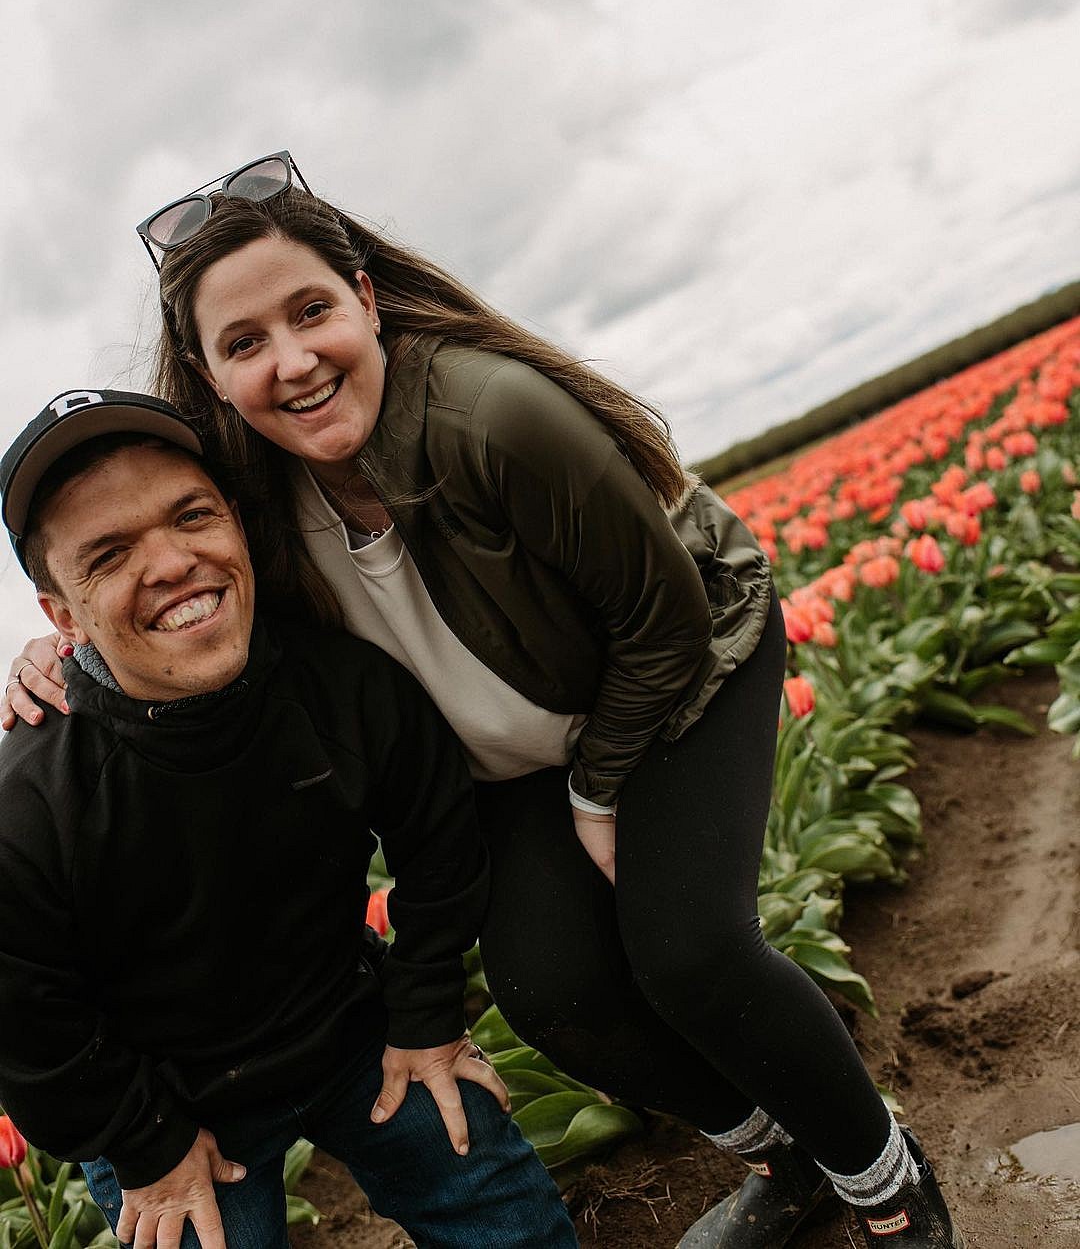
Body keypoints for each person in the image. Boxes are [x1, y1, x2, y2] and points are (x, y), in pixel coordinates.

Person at [5, 152, 963, 1247]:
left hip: (670, 676)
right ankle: (781, 1153)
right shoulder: (249, 501)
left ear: (366, 298)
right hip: (507, 744)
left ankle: (883, 1180)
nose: (293, 361)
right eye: (244, 343)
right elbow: (165, 592)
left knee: (687, 950)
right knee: (546, 987)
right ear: (212, 376)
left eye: (311, 310)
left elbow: (665, 618)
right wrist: (65, 657)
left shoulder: (492, 412)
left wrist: (603, 788)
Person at [0, 388, 578, 1249]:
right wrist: (143, 1145)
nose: (170, 563)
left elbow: (438, 844)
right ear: (62, 614)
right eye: (111, 554)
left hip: (346, 1024)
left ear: (236, 523)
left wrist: (424, 1016)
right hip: (161, 1099)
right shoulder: (30, 805)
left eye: (191, 515)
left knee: (503, 1211)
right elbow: (25, 1025)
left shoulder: (342, 686)